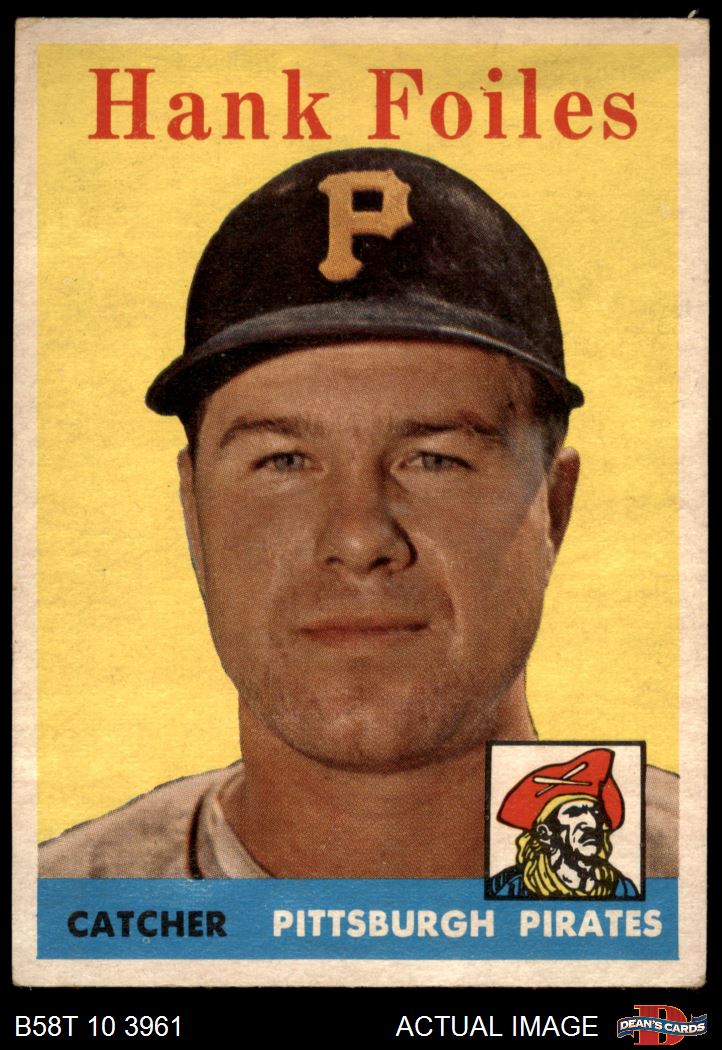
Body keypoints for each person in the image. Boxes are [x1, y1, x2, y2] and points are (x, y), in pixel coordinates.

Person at [39, 148, 678, 879]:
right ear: (196, 512)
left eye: (434, 459)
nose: (359, 537)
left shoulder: (685, 888)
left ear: (553, 509)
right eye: (283, 461)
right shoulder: (54, 907)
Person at [488, 748, 639, 899]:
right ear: (544, 834)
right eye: (575, 813)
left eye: (596, 813)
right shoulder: (508, 887)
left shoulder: (622, 888)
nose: (592, 823)